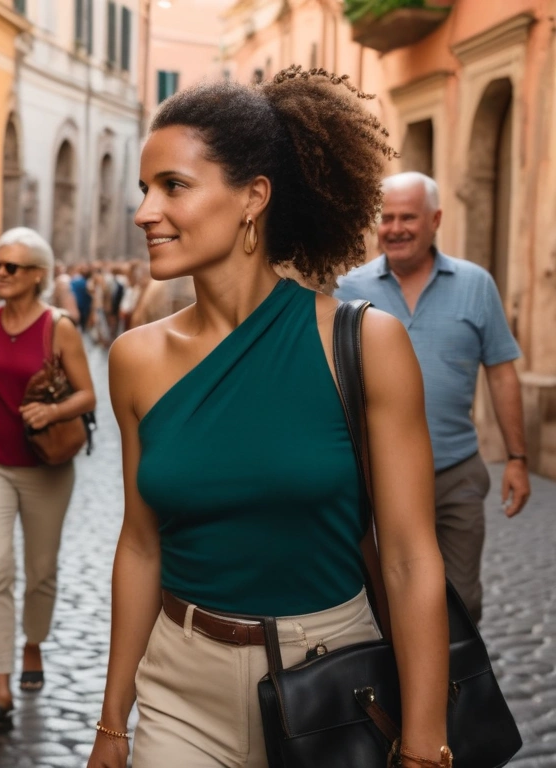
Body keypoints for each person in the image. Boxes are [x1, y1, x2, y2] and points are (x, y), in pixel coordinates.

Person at [87, 68, 451, 768]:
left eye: (174, 186)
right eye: (144, 189)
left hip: (331, 682)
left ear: (254, 196)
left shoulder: (365, 344)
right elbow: (139, 545)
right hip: (179, 688)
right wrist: (112, 720)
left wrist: (424, 743)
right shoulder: (134, 359)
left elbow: (408, 557)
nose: (144, 212)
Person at [335, 171, 530, 625]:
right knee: (380, 600)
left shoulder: (476, 284)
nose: (396, 228)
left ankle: (456, 690)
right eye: (387, 218)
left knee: (462, 600)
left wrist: (518, 457)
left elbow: (501, 374)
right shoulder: (348, 290)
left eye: (409, 217)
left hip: (455, 473)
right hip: (372, 476)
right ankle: (392, 690)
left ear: (436, 219)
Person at [0, 227, 97, 723]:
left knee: (42, 570)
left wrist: (51, 414)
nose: (0, 274)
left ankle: (34, 643)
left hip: (45, 466)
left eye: (11, 267)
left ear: (36, 276)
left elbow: (87, 396)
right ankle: (0, 686)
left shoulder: (59, 327)